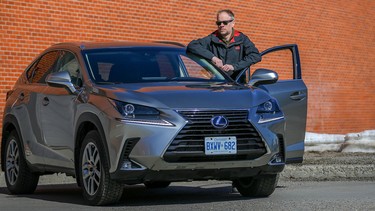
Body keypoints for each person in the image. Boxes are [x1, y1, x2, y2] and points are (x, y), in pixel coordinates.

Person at [187, 9, 261, 81]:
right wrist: (213, 58)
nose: (221, 25)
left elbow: (255, 56)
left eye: (225, 22)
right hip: (217, 83)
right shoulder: (212, 38)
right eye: (219, 23)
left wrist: (234, 67)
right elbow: (192, 45)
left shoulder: (242, 39)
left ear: (233, 23)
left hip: (238, 83)